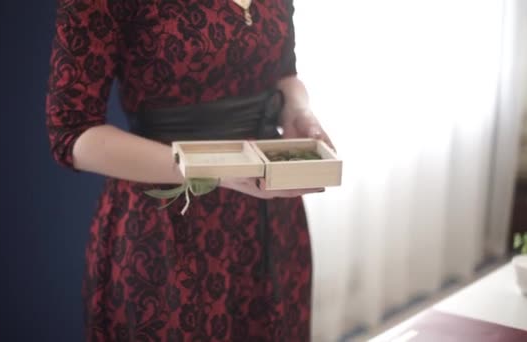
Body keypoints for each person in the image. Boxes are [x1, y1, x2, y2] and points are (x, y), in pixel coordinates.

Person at [45, 0, 333, 341]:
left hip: (269, 218)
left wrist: (299, 112)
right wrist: (212, 171)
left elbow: (283, 73)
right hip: (167, 225)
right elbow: (72, 134)